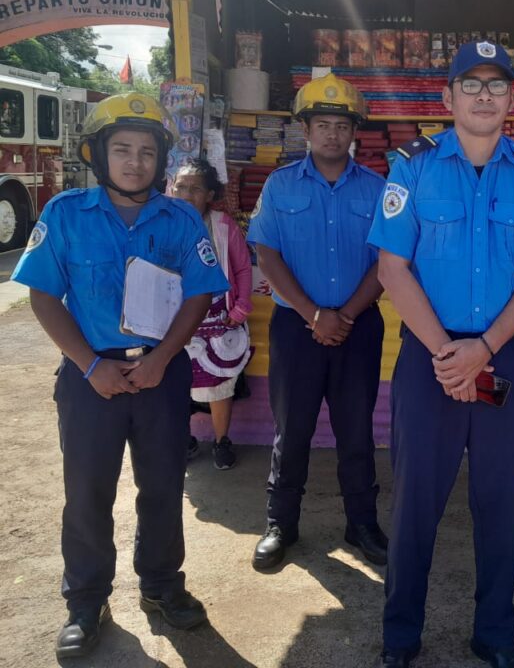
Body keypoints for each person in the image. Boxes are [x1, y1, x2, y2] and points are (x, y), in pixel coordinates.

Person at [369, 41, 514, 668]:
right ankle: (400, 636)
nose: (485, 96)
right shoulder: (412, 168)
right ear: (448, 97)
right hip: (428, 358)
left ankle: (495, 634)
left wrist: (481, 351)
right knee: (414, 503)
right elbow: (392, 268)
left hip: (502, 355)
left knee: (501, 500)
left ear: (512, 99)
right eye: (472, 85)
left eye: (497, 85)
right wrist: (447, 355)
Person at [11, 92, 228, 658]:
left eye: (148, 152)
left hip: (162, 373)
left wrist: (160, 359)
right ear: (97, 153)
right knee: (87, 492)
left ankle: (162, 585)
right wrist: (90, 365)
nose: (135, 162)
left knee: (163, 486)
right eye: (123, 149)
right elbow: (43, 296)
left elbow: (200, 293)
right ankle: (86, 601)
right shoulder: (65, 213)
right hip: (90, 377)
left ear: (161, 160)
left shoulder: (181, 217)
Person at [247, 73, 388, 571]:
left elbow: (388, 260)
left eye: (342, 125)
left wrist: (344, 316)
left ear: (355, 133)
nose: (332, 134)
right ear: (305, 130)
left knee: (356, 430)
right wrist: (313, 315)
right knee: (292, 429)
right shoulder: (280, 185)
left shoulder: (378, 189)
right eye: (323, 124)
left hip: (358, 327)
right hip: (296, 329)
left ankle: (362, 524)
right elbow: (267, 255)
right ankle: (280, 524)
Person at [172, 158, 253, 470]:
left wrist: (241, 306)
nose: (186, 194)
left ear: (209, 195)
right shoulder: (162, 223)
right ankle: (184, 438)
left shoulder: (222, 224)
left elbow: (242, 267)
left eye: (195, 189)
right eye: (181, 187)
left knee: (219, 383)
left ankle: (221, 441)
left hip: (219, 316)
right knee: (177, 382)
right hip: (174, 318)